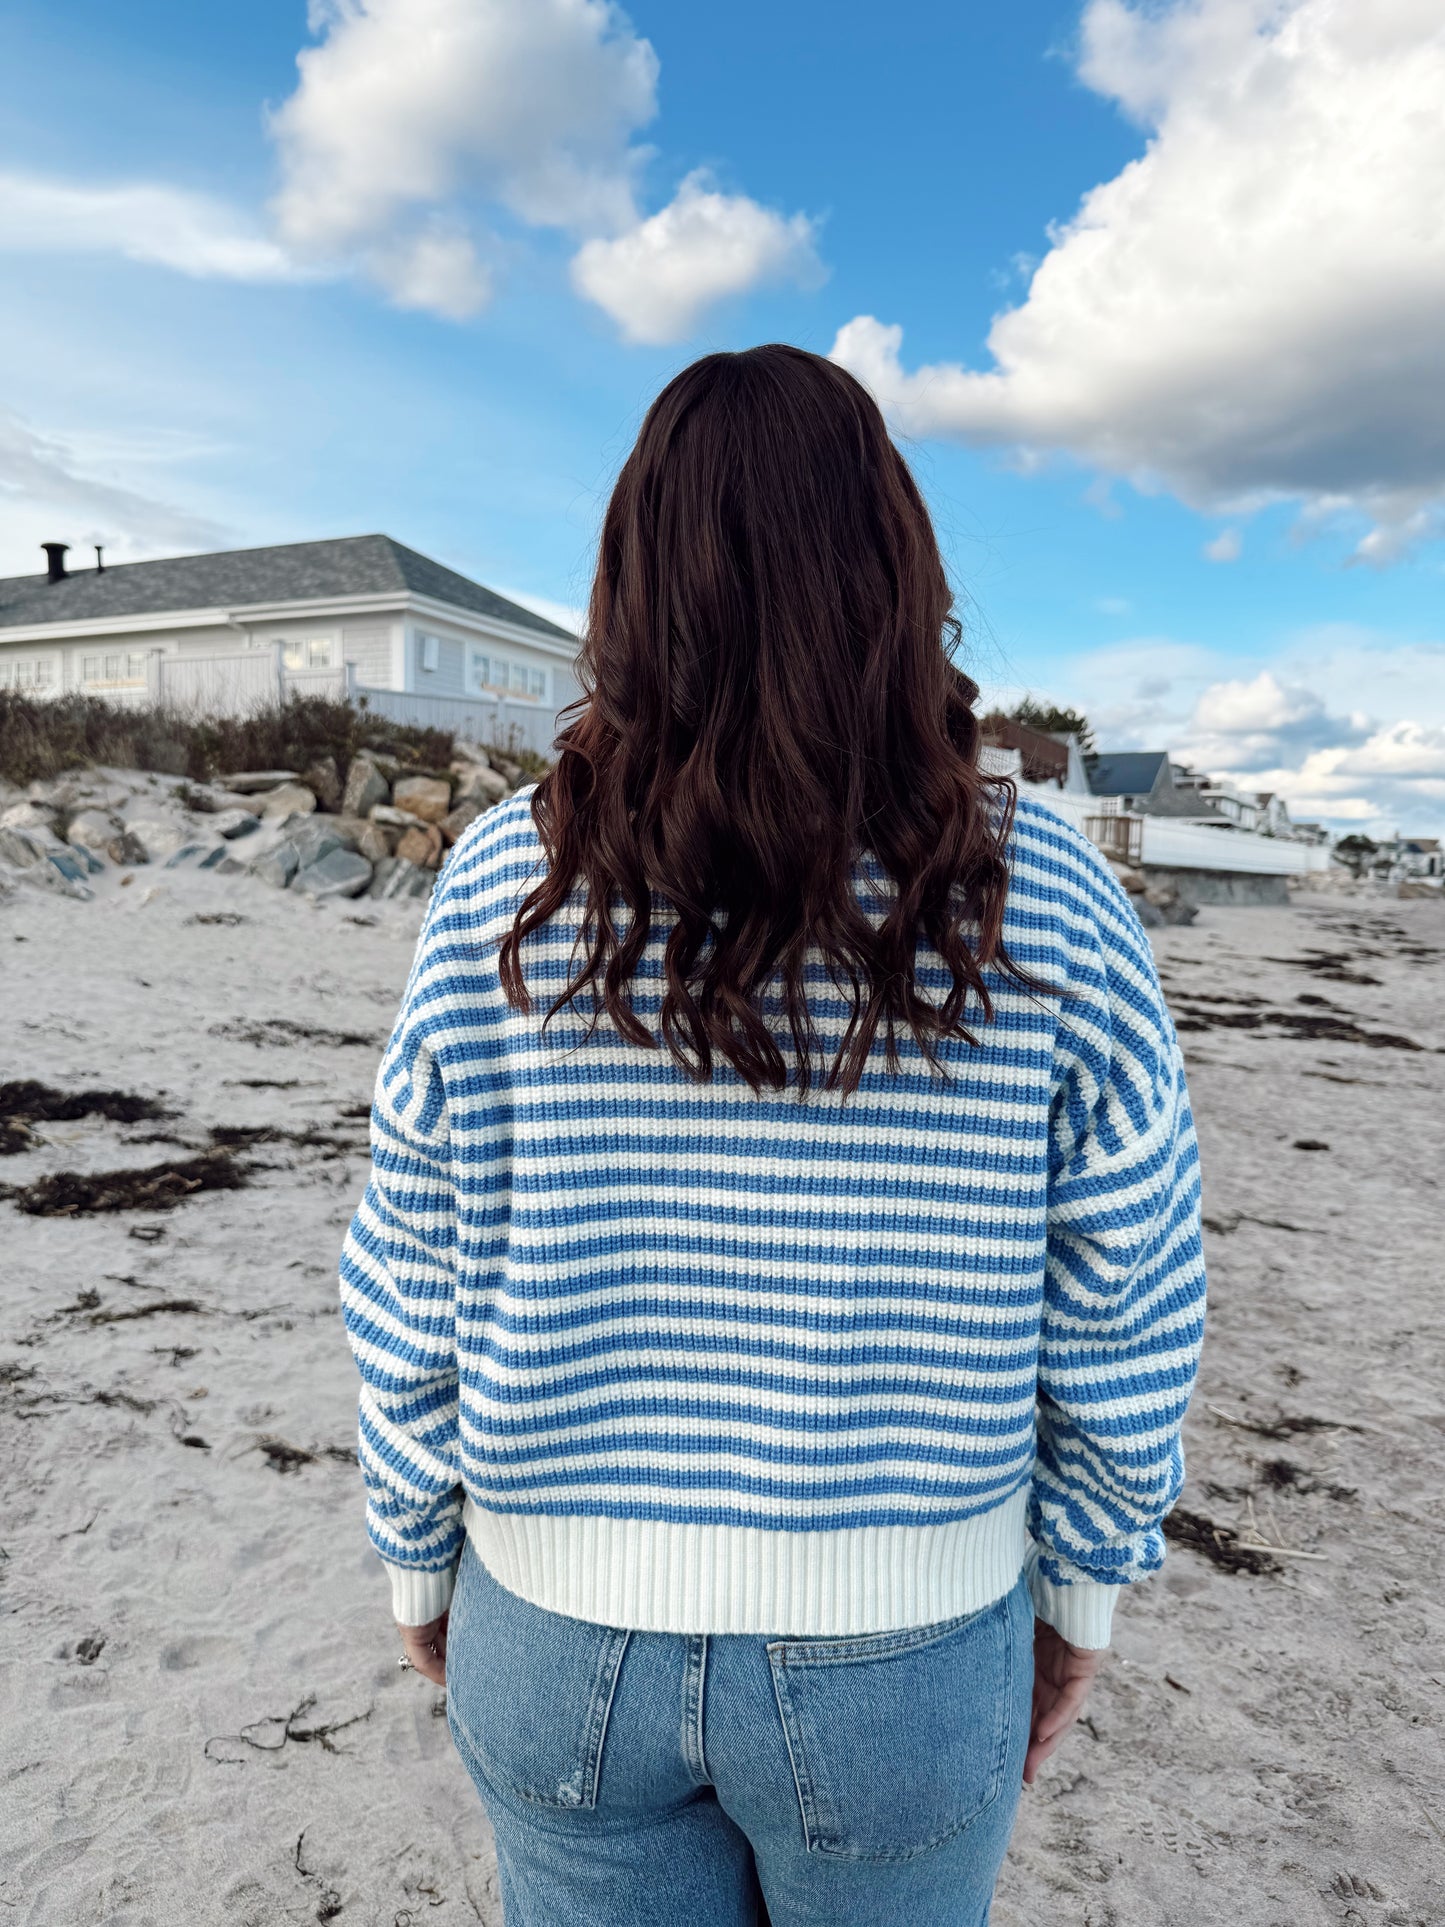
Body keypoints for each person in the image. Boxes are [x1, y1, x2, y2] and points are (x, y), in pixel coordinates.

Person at [339, 344, 1206, 1926]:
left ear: (631, 584)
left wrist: (414, 1544)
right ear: (894, 573)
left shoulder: (499, 889)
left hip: (551, 1621)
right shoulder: (1047, 895)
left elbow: (409, 1250)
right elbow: (1131, 1283)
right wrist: (1083, 1583)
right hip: (907, 1638)